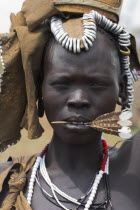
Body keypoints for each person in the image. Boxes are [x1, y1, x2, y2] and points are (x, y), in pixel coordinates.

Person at [0, 0, 140, 209]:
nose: (79, 99)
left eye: (96, 84)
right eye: (62, 84)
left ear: (120, 89)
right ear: (39, 90)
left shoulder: (133, 167)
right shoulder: (7, 184)